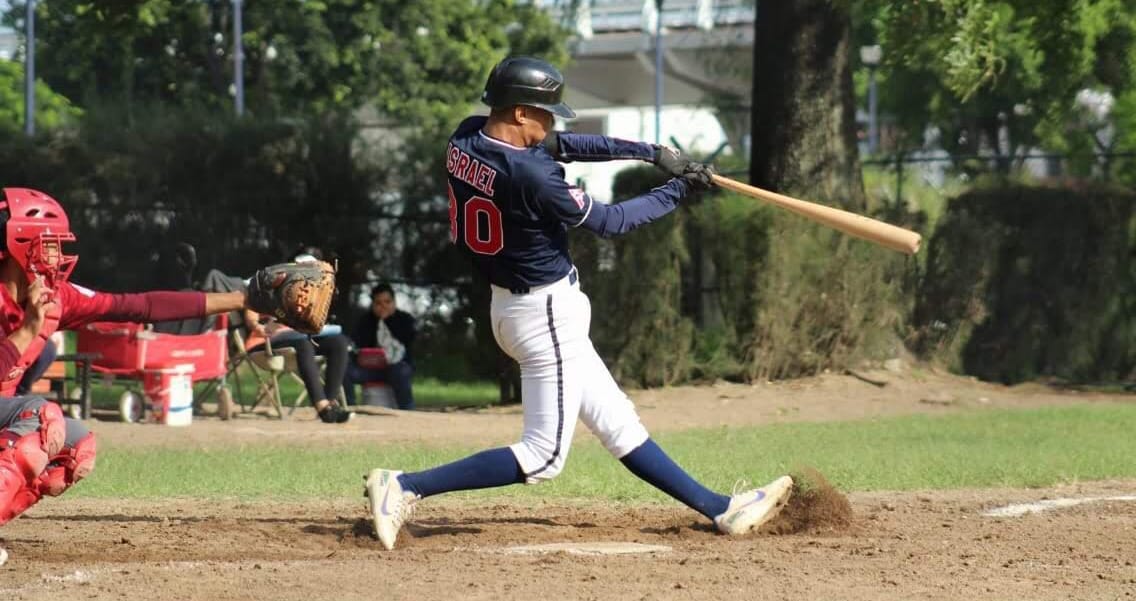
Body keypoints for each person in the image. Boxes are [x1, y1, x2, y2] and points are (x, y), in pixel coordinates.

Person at [363, 56, 793, 551]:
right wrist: (678, 189)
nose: (552, 122)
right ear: (520, 113)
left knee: (617, 424)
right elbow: (611, 222)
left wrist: (652, 152)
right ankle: (406, 484)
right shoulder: (531, 177)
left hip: (512, 306)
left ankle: (721, 508)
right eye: (545, 112)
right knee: (543, 456)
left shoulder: (467, 137)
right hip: (542, 311)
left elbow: (566, 145)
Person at [0, 187, 301, 565]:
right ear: (17, 242)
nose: (57, 255)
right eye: (48, 244)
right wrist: (27, 332)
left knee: (76, 450)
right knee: (42, 417)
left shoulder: (54, 298)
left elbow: (140, 305)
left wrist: (245, 299)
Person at [242, 306, 353, 423]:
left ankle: (330, 403)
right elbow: (251, 319)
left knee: (339, 342)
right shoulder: (260, 292)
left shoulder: (299, 292)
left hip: (300, 335)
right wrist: (261, 326)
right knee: (303, 344)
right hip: (266, 339)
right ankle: (322, 407)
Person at [344, 282, 416, 409]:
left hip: (395, 368)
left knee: (402, 371)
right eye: (378, 303)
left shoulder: (405, 319)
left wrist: (388, 320)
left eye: (387, 302)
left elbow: (407, 339)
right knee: (345, 370)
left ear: (394, 302)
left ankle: (408, 410)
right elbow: (357, 345)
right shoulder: (365, 321)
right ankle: (349, 407)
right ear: (373, 305)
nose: (383, 306)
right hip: (370, 370)